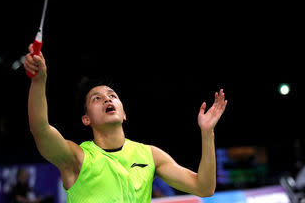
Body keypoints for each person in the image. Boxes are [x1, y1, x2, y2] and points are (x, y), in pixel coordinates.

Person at [23, 44, 228, 202]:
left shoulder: (150, 155)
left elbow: (204, 187)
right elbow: (40, 130)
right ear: (86, 119)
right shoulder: (77, 159)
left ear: (124, 114)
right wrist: (39, 81)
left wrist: (207, 133)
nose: (107, 99)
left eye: (112, 95)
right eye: (96, 98)